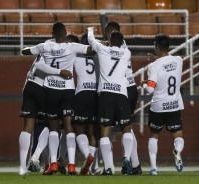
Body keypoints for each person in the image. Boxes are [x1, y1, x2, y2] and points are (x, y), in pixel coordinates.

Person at [22, 22, 92, 175]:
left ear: (52, 33)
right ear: (65, 34)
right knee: (68, 128)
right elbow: (91, 49)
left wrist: (31, 49)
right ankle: (72, 165)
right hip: (68, 91)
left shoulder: (45, 46)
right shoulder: (72, 46)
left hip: (51, 90)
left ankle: (53, 163)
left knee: (53, 128)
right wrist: (91, 35)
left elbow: (25, 51)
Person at [87, 27, 133, 175]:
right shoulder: (127, 53)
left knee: (105, 131)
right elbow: (121, 44)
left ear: (109, 41)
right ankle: (126, 158)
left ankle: (108, 167)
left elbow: (91, 40)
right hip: (121, 94)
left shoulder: (102, 49)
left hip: (106, 94)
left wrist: (90, 30)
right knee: (126, 127)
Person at [18, 49, 72, 176]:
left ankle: (22, 167)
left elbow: (31, 67)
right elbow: (41, 66)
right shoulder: (51, 49)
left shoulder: (42, 50)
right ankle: (35, 157)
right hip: (42, 88)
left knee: (27, 127)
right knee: (52, 124)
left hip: (30, 86)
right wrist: (60, 72)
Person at [141, 33, 184, 176]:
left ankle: (153, 168)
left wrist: (145, 85)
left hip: (158, 106)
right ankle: (177, 151)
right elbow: (167, 67)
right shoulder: (179, 60)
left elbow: (150, 90)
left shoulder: (153, 66)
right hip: (174, 105)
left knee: (154, 135)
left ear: (157, 47)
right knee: (177, 135)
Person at [103, 21, 142, 175]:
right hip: (130, 88)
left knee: (119, 127)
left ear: (111, 33)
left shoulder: (112, 48)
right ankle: (135, 165)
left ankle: (126, 164)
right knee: (126, 127)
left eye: (106, 32)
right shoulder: (124, 48)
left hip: (120, 89)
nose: (104, 34)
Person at [68, 33, 98, 175]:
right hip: (96, 93)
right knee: (92, 131)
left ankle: (88, 156)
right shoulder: (100, 53)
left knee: (78, 128)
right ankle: (90, 168)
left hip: (82, 92)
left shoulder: (75, 52)